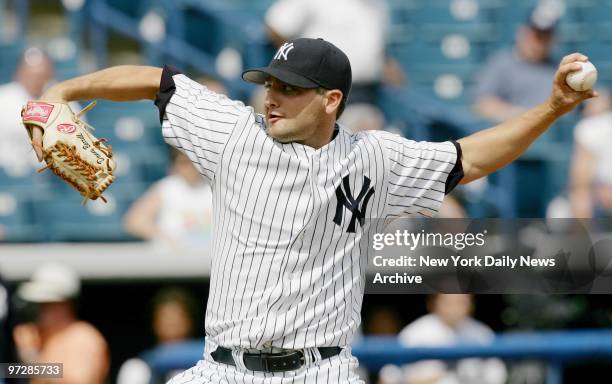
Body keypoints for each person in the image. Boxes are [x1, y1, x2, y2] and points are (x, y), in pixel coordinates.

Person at [28, 36, 595, 382]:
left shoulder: (374, 158)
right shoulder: (235, 132)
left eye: (290, 87)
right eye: (270, 81)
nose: (272, 95)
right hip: (223, 369)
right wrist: (66, 91)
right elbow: (159, 82)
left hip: (322, 369)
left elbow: (469, 157)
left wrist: (550, 108)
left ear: (331, 101)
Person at [12, 263, 109, 384]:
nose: (41, 309)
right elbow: (9, 373)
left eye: (48, 304)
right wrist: (22, 353)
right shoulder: (34, 334)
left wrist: (33, 360)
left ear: (66, 304)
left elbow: (80, 381)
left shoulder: (83, 337)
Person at [379, 294, 506, 384]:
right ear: (434, 303)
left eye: (461, 301)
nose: (455, 308)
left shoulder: (481, 334)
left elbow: (497, 375)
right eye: (449, 301)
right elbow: (388, 377)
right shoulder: (415, 333)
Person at [0, 47, 82, 174]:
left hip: (54, 176)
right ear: (18, 74)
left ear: (51, 74)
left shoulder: (66, 102)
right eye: (30, 75)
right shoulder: (3, 98)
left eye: (41, 75)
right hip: (6, 176)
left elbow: (78, 145)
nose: (36, 80)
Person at [472, 7, 560, 123]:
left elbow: (588, 103)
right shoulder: (502, 63)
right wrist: (521, 115)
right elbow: (482, 103)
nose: (538, 42)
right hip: (520, 132)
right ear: (522, 32)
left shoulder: (559, 67)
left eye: (545, 36)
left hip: (558, 131)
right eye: (535, 35)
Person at [123, 148, 213, 252]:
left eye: (194, 162)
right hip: (173, 259)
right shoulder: (166, 188)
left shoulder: (216, 188)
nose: (190, 168)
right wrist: (165, 238)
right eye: (184, 163)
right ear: (175, 165)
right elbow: (134, 221)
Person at [117, 287, 199, 384]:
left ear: (190, 322)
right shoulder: (138, 367)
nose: (171, 323)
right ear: (155, 323)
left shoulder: (207, 365)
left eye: (177, 318)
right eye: (165, 318)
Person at [569, 89, 612, 218]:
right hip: (601, 193)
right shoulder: (589, 127)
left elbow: (580, 181)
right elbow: (581, 181)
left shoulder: (589, 127)